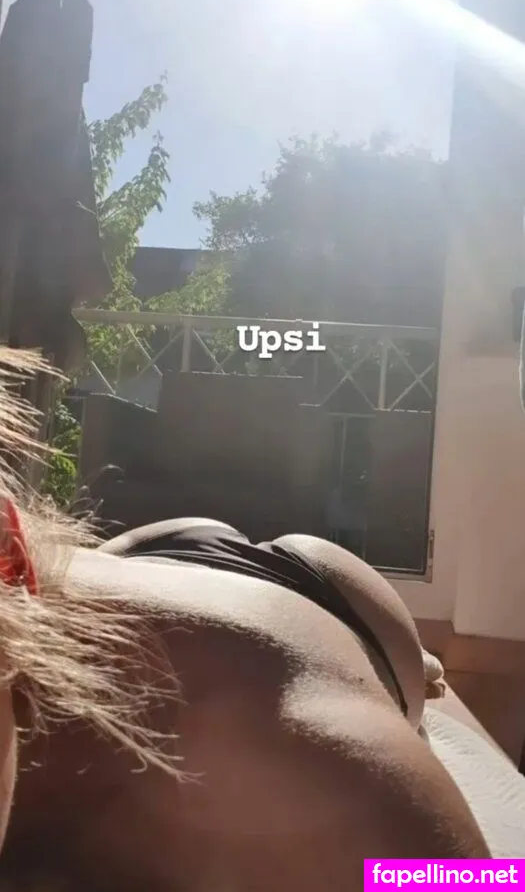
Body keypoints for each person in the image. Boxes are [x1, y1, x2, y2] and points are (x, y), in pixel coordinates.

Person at [0, 348, 489, 892]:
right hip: (112, 568)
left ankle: (415, 661)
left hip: (308, 592)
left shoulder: (311, 764)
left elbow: (473, 879)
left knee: (409, 678)